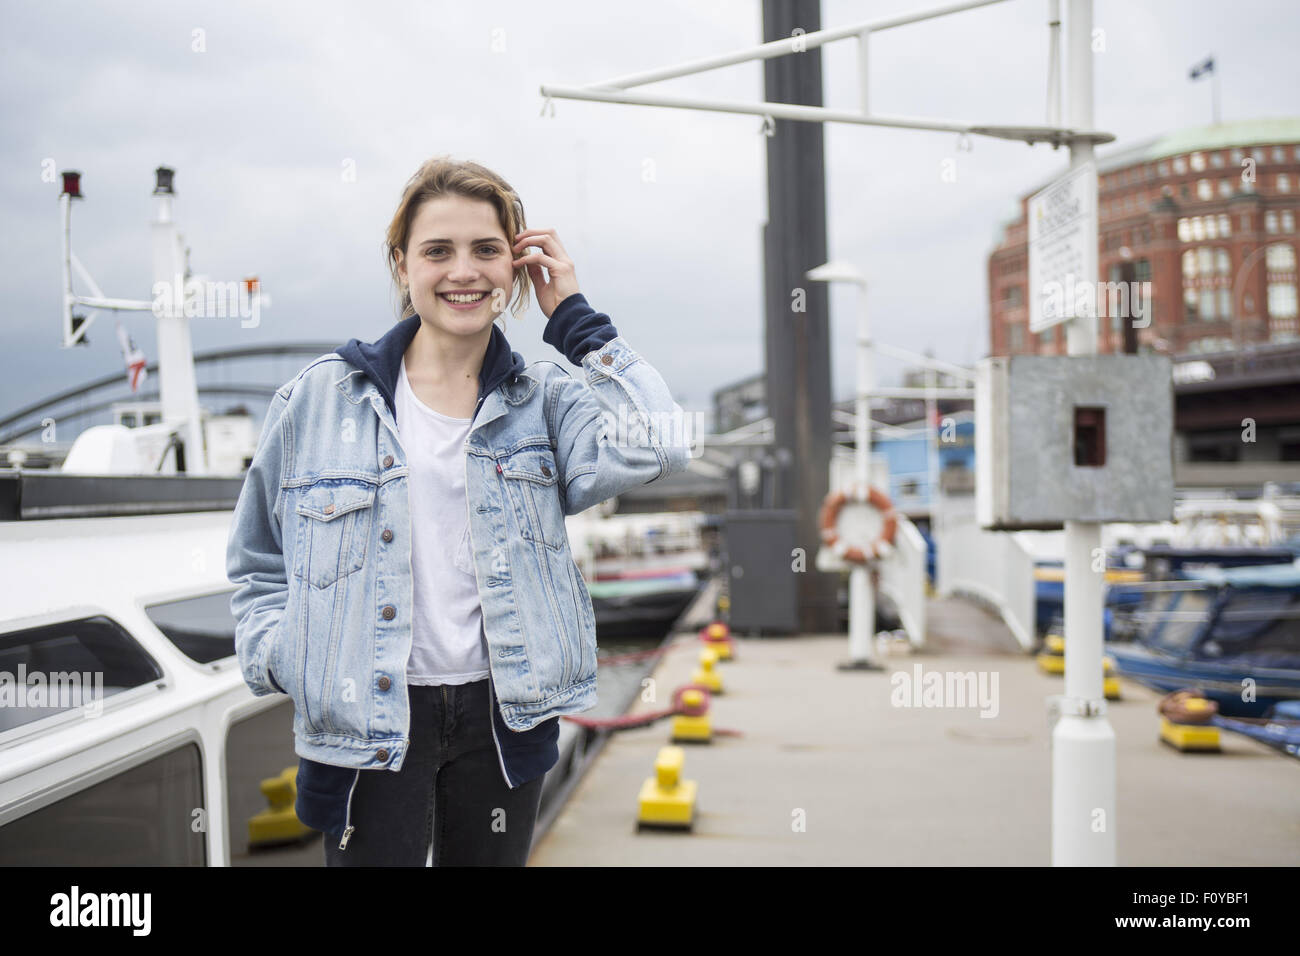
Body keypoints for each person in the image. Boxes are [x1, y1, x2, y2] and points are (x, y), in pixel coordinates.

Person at [226, 156, 692, 866]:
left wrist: (574, 316)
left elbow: (663, 442)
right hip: (365, 722)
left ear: (517, 265)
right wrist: (283, 658)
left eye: (486, 250)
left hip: (501, 720)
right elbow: (259, 561)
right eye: (437, 251)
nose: (463, 272)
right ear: (401, 264)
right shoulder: (317, 401)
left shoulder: (548, 401)